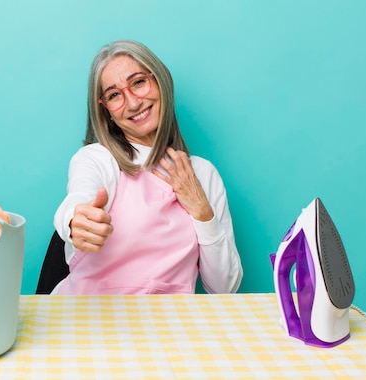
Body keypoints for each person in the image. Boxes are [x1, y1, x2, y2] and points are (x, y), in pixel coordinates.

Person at [52, 40, 243, 295]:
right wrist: (76, 220)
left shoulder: (203, 173)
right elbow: (79, 196)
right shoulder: (97, 159)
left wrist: (201, 210)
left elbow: (225, 288)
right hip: (91, 321)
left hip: (167, 327)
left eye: (139, 82)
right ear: (106, 110)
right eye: (114, 95)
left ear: (161, 81)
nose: (132, 103)